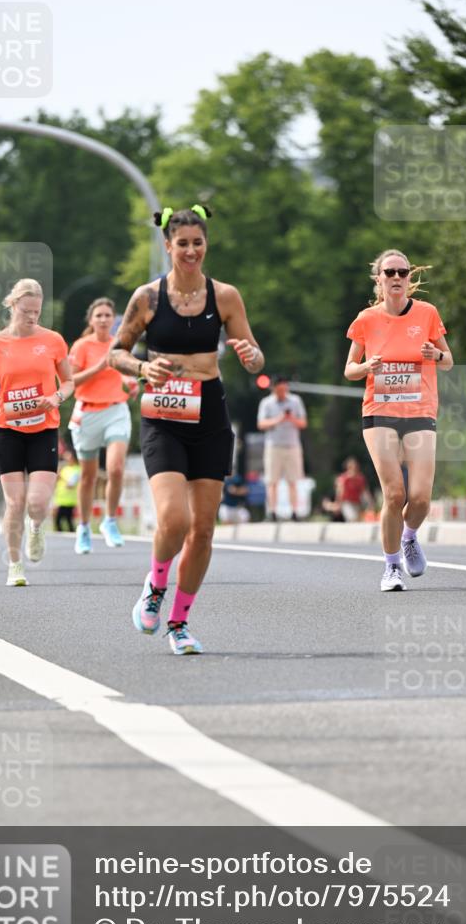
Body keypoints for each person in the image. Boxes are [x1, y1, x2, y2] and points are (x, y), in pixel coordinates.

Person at [109, 204, 264, 654]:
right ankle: (155, 586)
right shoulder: (148, 298)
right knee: (174, 519)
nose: (192, 251)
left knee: (203, 530)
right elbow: (115, 353)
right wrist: (141, 366)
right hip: (163, 418)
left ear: (205, 245)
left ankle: (179, 622)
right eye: (183, 244)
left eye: (198, 243)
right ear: (168, 245)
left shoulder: (226, 296)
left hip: (210, 415)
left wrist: (253, 357)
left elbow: (253, 350)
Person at [344, 249, 453, 591]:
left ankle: (408, 537)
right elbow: (349, 370)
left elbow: (448, 360)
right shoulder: (366, 319)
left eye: (401, 272)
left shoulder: (427, 314)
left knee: (420, 498)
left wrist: (435, 355)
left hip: (420, 411)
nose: (395, 278)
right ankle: (391, 567)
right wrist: (367, 367)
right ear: (378, 279)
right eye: (388, 272)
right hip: (379, 412)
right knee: (394, 494)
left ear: (409, 278)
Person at [0, 279, 74, 586]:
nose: (32, 317)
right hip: (8, 429)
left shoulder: (52, 340)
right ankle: (15, 565)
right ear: (13, 306)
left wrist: (56, 398)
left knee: (37, 502)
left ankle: (36, 527)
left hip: (43, 429)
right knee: (15, 502)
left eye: (37, 312)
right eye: (26, 311)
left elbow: (68, 382)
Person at [68, 297, 138, 553]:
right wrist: (98, 367)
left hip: (116, 411)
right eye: (99, 315)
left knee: (116, 468)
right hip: (87, 413)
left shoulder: (120, 345)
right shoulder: (81, 346)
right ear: (91, 320)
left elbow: (129, 374)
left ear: (114, 319)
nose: (103, 319)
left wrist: (132, 385)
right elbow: (70, 381)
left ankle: (109, 521)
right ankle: (84, 528)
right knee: (87, 477)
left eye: (108, 315)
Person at [257, 376, 307, 521]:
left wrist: (290, 418)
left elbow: (303, 423)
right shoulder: (266, 403)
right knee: (272, 481)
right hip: (273, 446)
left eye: (284, 389)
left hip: (292, 445)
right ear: (273, 389)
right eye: (279, 390)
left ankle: (294, 511)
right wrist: (278, 419)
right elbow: (261, 424)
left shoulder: (295, 401)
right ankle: (272, 512)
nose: (282, 392)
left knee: (293, 480)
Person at [334, 456, 373, 522]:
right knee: (352, 517)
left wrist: (370, 502)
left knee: (357, 520)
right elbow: (340, 492)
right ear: (348, 467)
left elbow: (365, 492)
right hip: (346, 503)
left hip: (357, 503)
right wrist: (337, 504)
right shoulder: (343, 478)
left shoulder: (360, 478)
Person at [53, 446, 81, 532]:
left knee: (68, 520)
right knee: (57, 521)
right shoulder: (64, 469)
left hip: (69, 501)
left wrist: (62, 477)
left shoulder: (77, 469)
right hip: (60, 499)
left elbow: (71, 484)